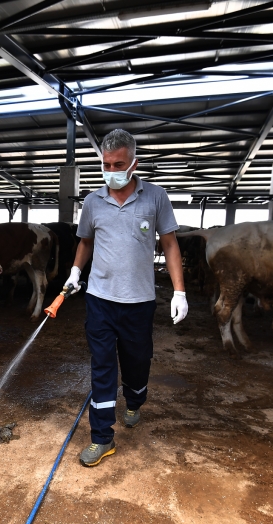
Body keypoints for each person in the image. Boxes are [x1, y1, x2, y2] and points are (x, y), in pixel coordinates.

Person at [65, 129, 188, 467]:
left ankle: (134, 400)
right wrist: (76, 271)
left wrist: (179, 290)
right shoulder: (93, 201)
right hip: (100, 299)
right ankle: (102, 437)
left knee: (136, 364)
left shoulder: (156, 197)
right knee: (102, 367)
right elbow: (86, 241)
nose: (111, 171)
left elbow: (170, 243)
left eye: (118, 164)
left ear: (134, 162)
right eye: (106, 165)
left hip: (139, 302)